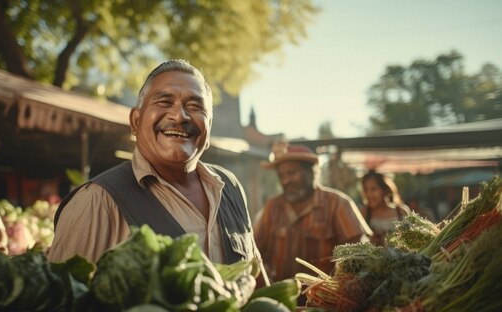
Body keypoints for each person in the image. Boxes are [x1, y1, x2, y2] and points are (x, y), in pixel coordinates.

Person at [48, 59, 263, 270]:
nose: (179, 116)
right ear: (136, 121)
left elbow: (256, 282)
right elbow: (62, 301)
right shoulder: (97, 201)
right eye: (164, 102)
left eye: (195, 106)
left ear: (209, 129)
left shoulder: (229, 187)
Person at [254, 142, 372, 282]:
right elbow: (255, 251)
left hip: (326, 301)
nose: (286, 181)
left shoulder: (337, 204)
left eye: (291, 173)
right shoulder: (272, 207)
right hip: (281, 299)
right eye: (281, 176)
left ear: (311, 172)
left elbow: (360, 252)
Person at [359, 170, 410, 246]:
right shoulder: (362, 214)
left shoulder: (401, 212)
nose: (369, 194)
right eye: (366, 190)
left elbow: (410, 240)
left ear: (385, 190)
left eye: (373, 189)